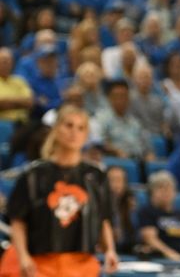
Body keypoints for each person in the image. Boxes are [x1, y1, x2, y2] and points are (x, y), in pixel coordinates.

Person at [5, 104, 120, 277]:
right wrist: (23, 256)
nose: (74, 132)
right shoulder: (33, 175)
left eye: (81, 128)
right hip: (40, 264)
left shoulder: (97, 176)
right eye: (69, 125)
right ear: (56, 129)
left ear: (86, 136)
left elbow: (103, 219)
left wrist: (110, 250)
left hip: (82, 265)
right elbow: (18, 221)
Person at [135, 170, 180, 262]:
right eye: (161, 188)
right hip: (163, 259)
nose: (166, 192)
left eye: (169, 188)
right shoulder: (147, 212)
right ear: (151, 192)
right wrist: (170, 253)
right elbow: (150, 238)